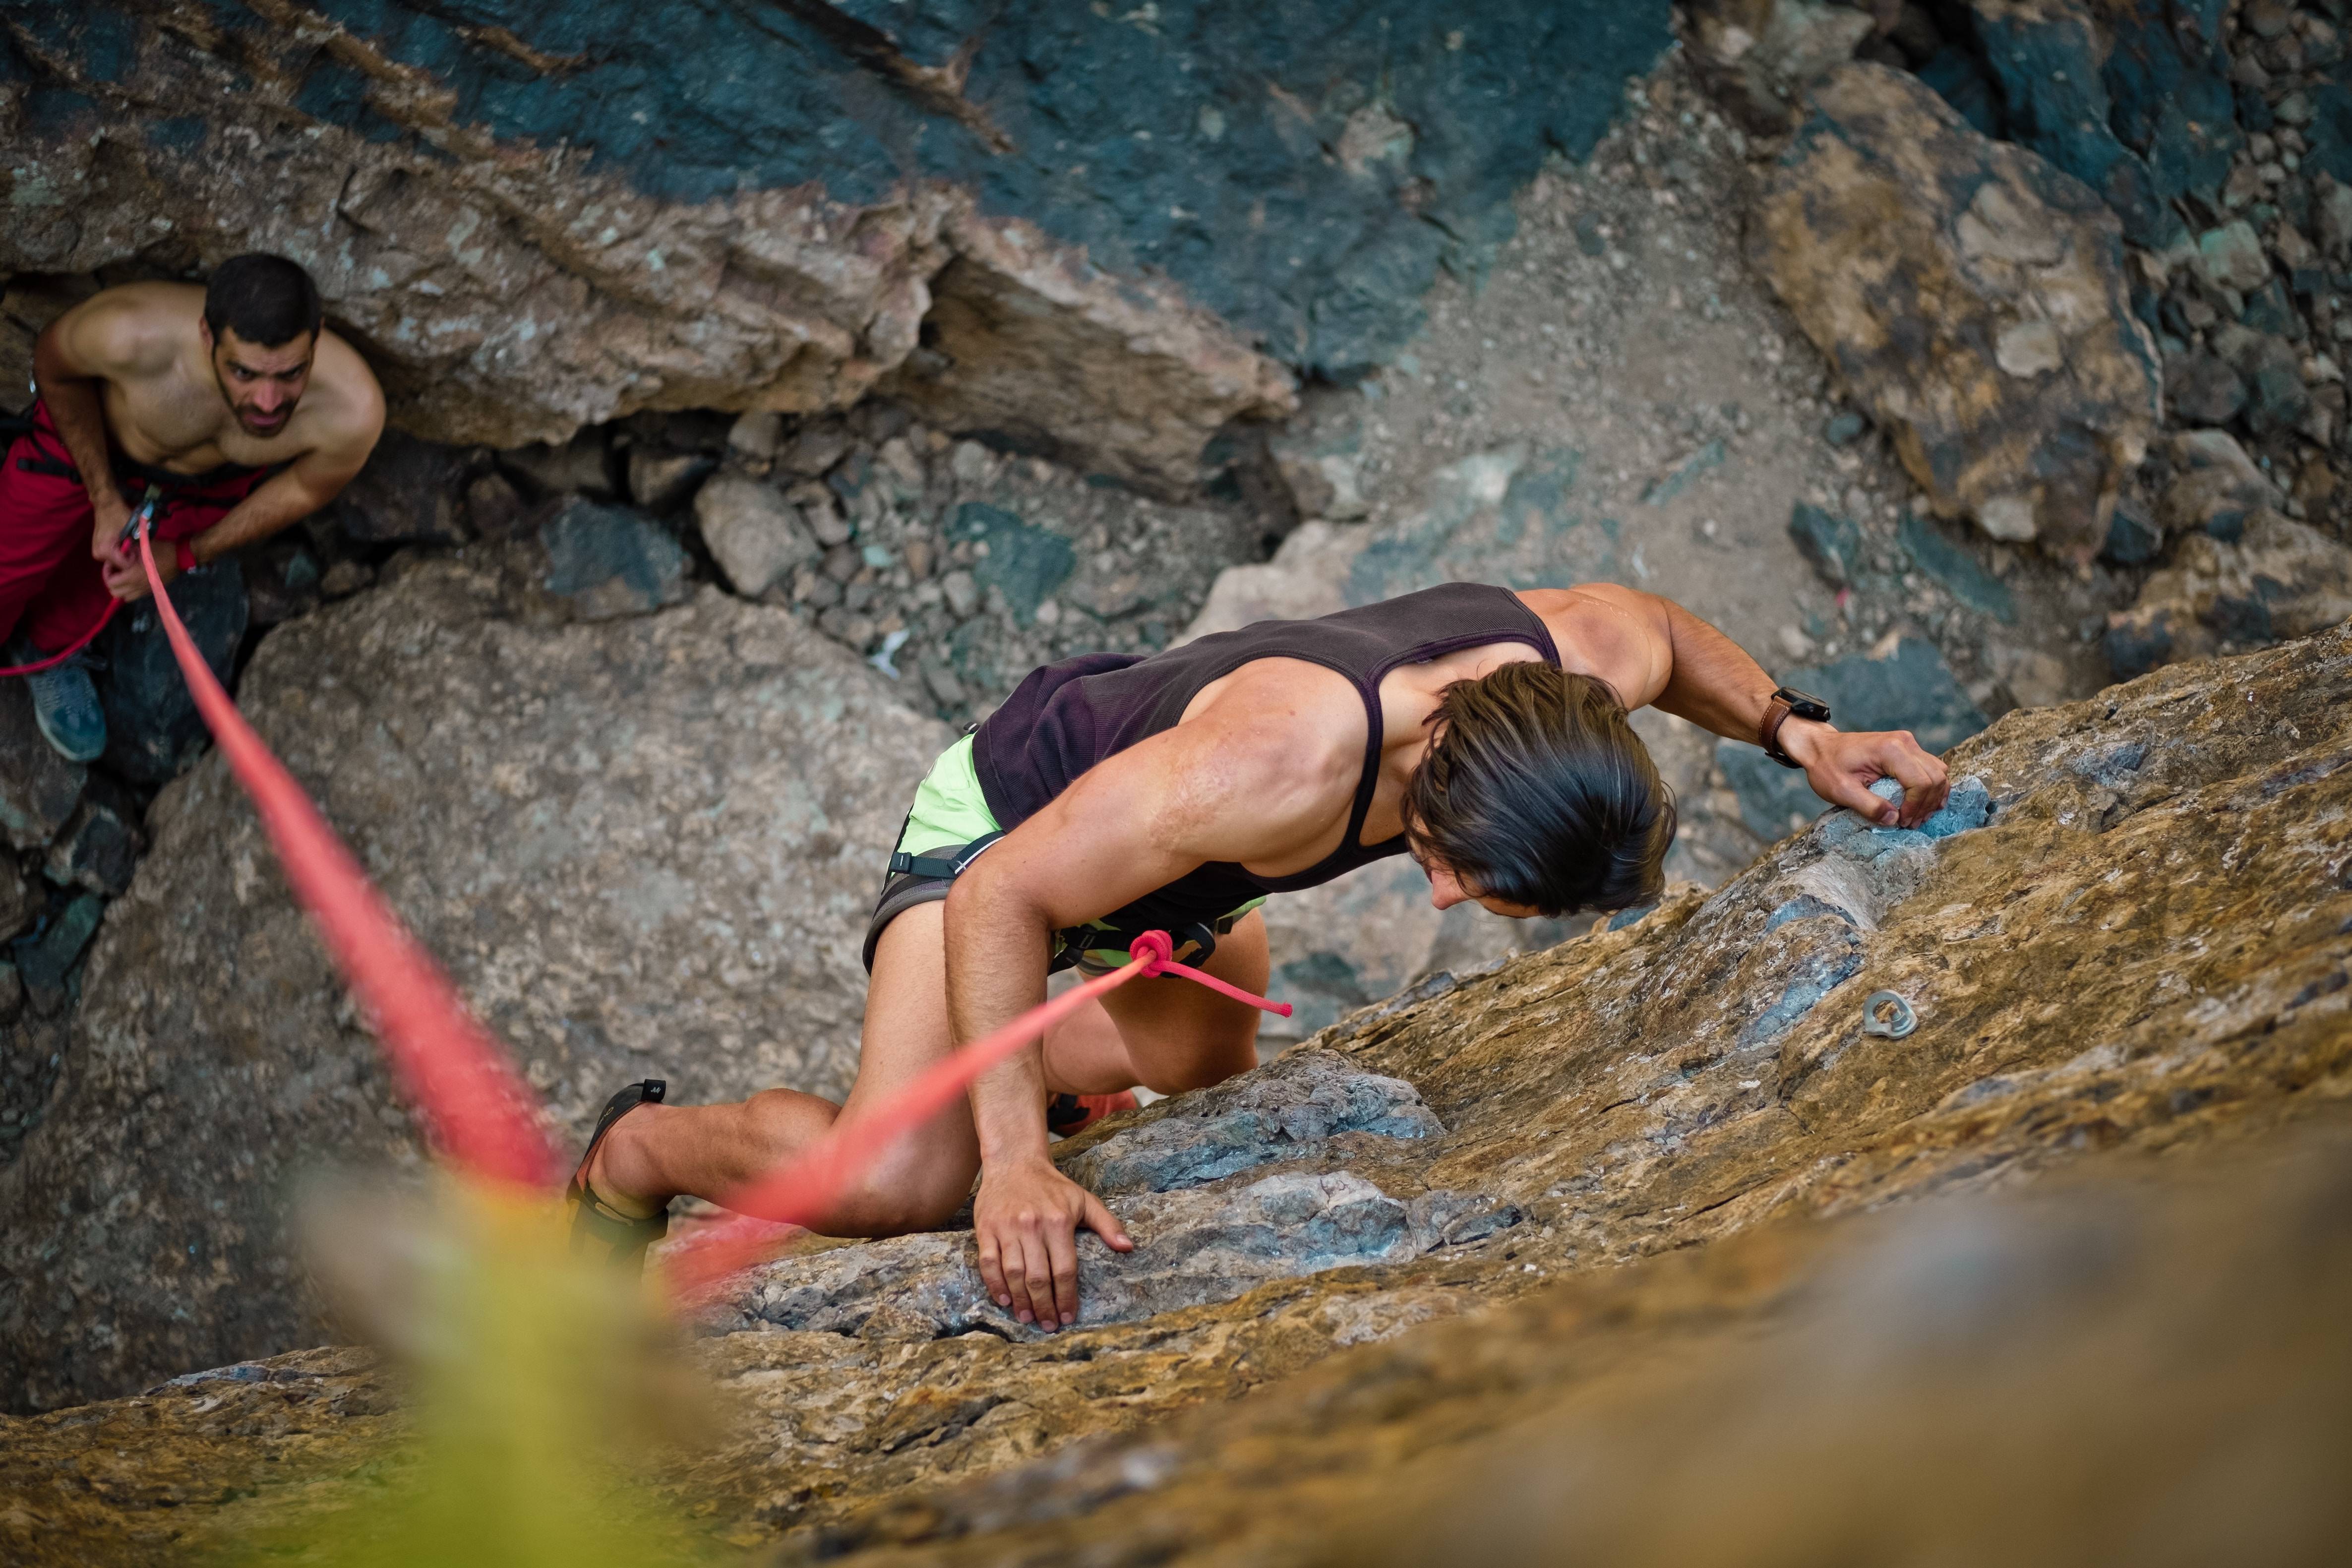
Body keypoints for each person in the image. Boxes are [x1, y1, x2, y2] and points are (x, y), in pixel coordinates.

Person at [566, 582, 1951, 1329]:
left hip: (1168, 860)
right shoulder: (1270, 768)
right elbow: (1004, 892)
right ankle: (632, 1157)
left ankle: (1010, 1061)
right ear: (1430, 783)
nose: (1445, 901)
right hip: (1009, 827)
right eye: (1454, 867)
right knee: (897, 1179)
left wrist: (1797, 735)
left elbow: (1652, 626)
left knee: (1200, 1058)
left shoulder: (1559, 676)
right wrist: (1006, 1160)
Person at [0, 254, 385, 760]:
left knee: (102, 589)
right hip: (87, 452)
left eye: (292, 373)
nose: (268, 402)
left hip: (200, 491)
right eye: (244, 372)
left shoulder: (352, 409)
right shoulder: (129, 333)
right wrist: (103, 497)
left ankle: (51, 653)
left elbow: (307, 490)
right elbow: (54, 369)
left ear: (318, 335)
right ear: (208, 336)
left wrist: (184, 554)